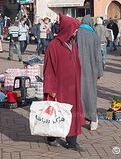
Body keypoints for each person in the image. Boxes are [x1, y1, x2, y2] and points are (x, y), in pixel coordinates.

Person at [43, 14, 86, 152]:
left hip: (72, 87)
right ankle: (52, 137)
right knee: (56, 114)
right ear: (67, 29)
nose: (76, 31)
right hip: (60, 88)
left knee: (73, 113)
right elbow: (49, 69)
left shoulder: (72, 43)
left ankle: (72, 141)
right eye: (74, 29)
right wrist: (51, 88)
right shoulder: (53, 46)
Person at [77, 15, 103, 131]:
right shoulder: (94, 36)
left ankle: (78, 118)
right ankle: (93, 119)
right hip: (91, 70)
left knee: (78, 94)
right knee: (91, 94)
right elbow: (99, 56)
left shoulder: (76, 34)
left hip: (77, 69)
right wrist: (99, 72)